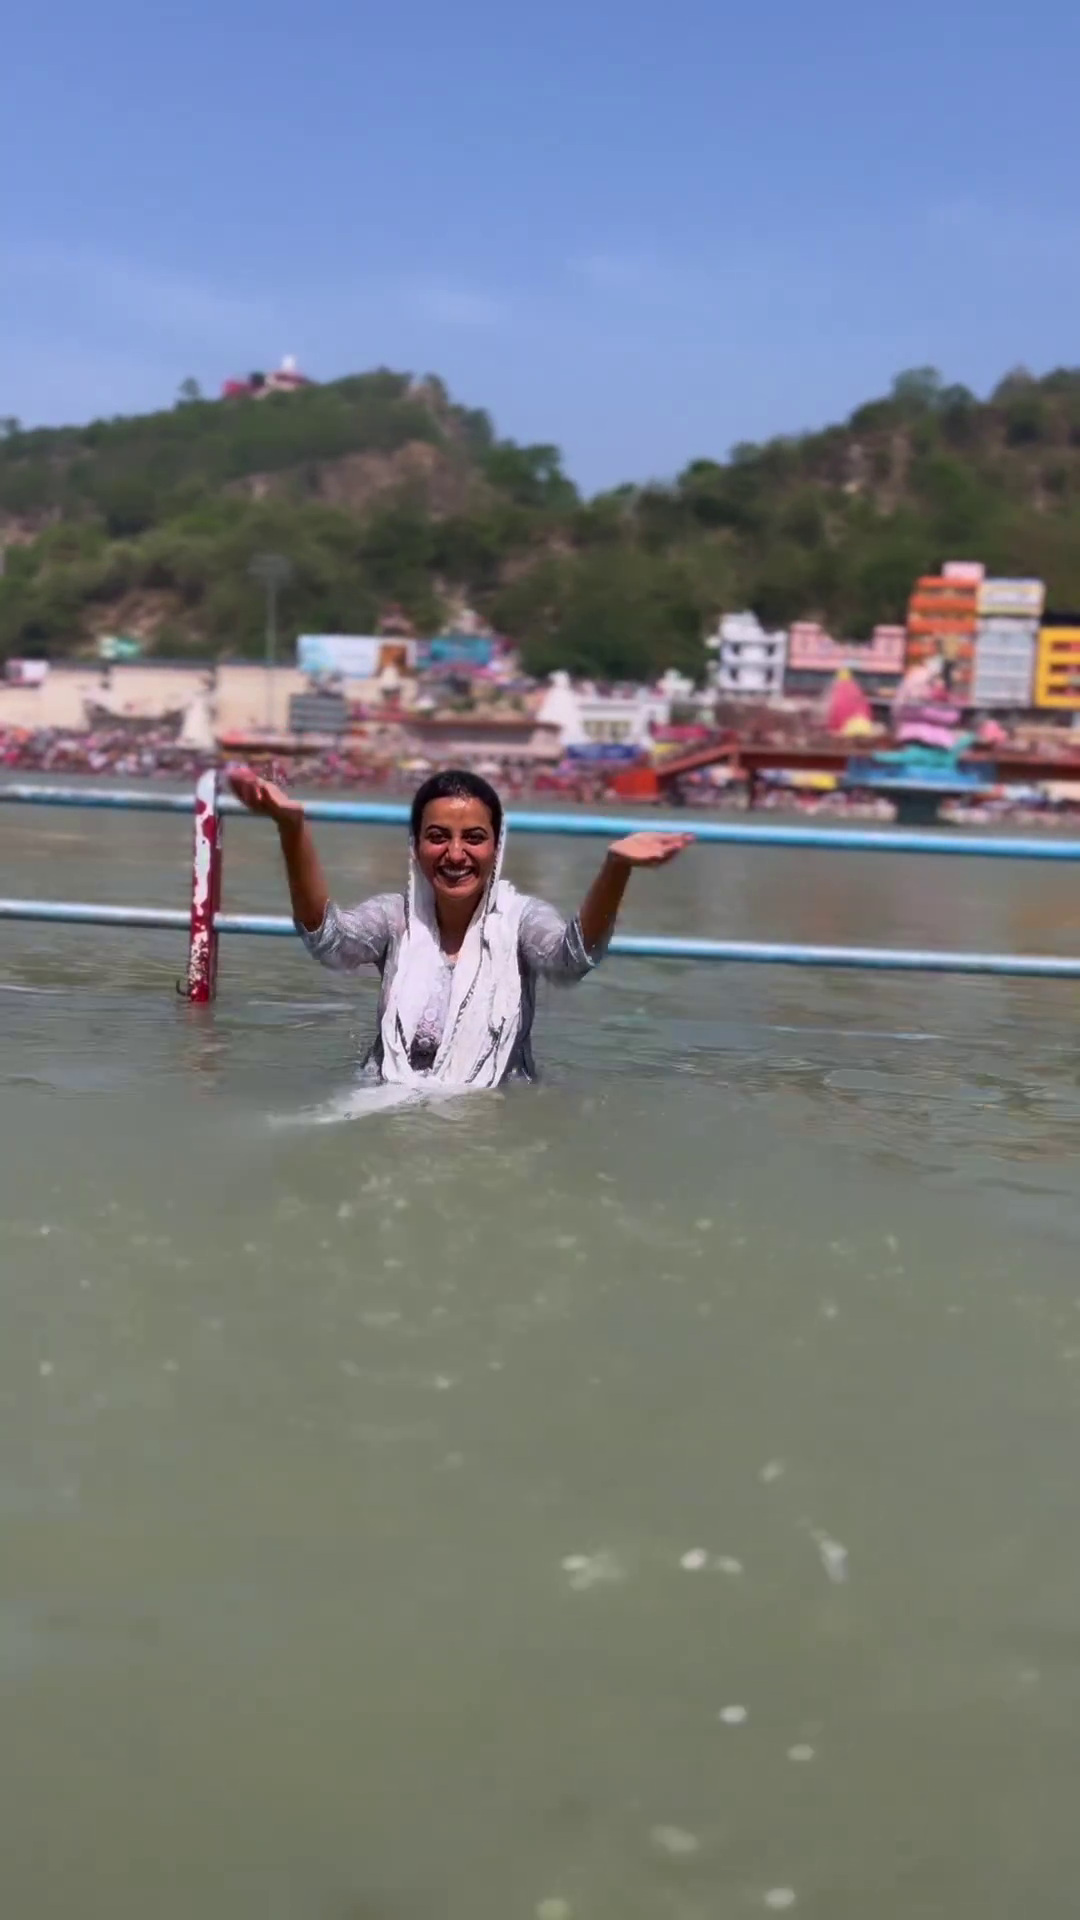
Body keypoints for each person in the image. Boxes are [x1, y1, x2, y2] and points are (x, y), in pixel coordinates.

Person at [229, 765, 691, 1088]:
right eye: (437, 837)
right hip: (387, 1102)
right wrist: (291, 829)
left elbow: (570, 961)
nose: (455, 854)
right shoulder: (396, 919)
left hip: (493, 1108)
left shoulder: (520, 921)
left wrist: (616, 868)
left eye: (474, 838)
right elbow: (329, 943)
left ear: (497, 845)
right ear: (415, 846)